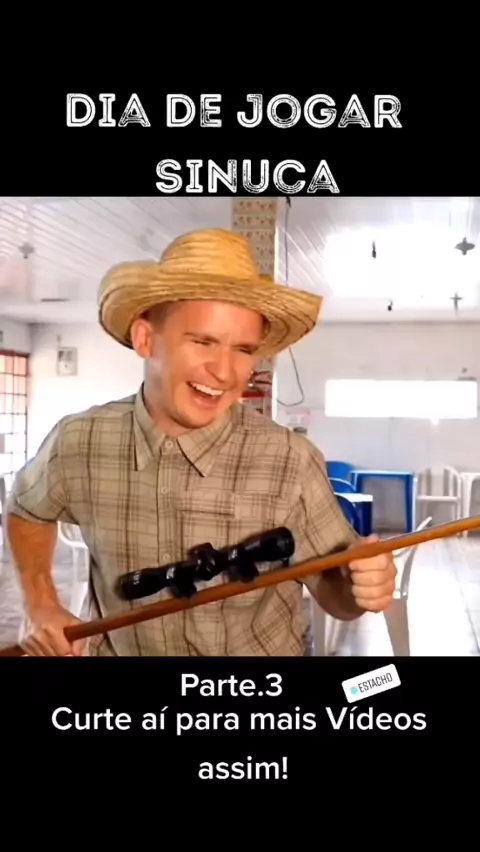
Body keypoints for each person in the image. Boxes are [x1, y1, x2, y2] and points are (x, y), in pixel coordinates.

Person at [6, 227, 396, 657]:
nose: (225, 372)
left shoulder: (290, 460)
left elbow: (336, 596)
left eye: (243, 349)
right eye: (203, 341)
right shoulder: (79, 440)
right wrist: (41, 603)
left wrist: (361, 586)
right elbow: (26, 509)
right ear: (144, 339)